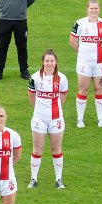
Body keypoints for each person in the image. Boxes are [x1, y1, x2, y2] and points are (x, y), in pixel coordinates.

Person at [27, 49, 69, 189]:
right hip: (39, 118)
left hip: (56, 119)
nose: (49, 64)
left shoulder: (62, 78)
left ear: (56, 62)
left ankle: (59, 179)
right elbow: (31, 96)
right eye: (47, 61)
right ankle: (33, 179)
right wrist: (41, 110)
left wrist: (55, 108)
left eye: (52, 61)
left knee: (56, 149)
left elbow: (63, 95)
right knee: (37, 150)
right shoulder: (35, 77)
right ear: (43, 62)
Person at [69, 0, 102, 128]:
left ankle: (100, 119)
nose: (94, 10)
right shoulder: (79, 23)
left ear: (99, 9)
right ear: (87, 9)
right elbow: (72, 42)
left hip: (100, 64)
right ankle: (80, 119)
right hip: (84, 63)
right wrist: (81, 53)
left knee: (100, 89)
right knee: (83, 89)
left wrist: (100, 54)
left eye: (96, 8)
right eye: (91, 8)